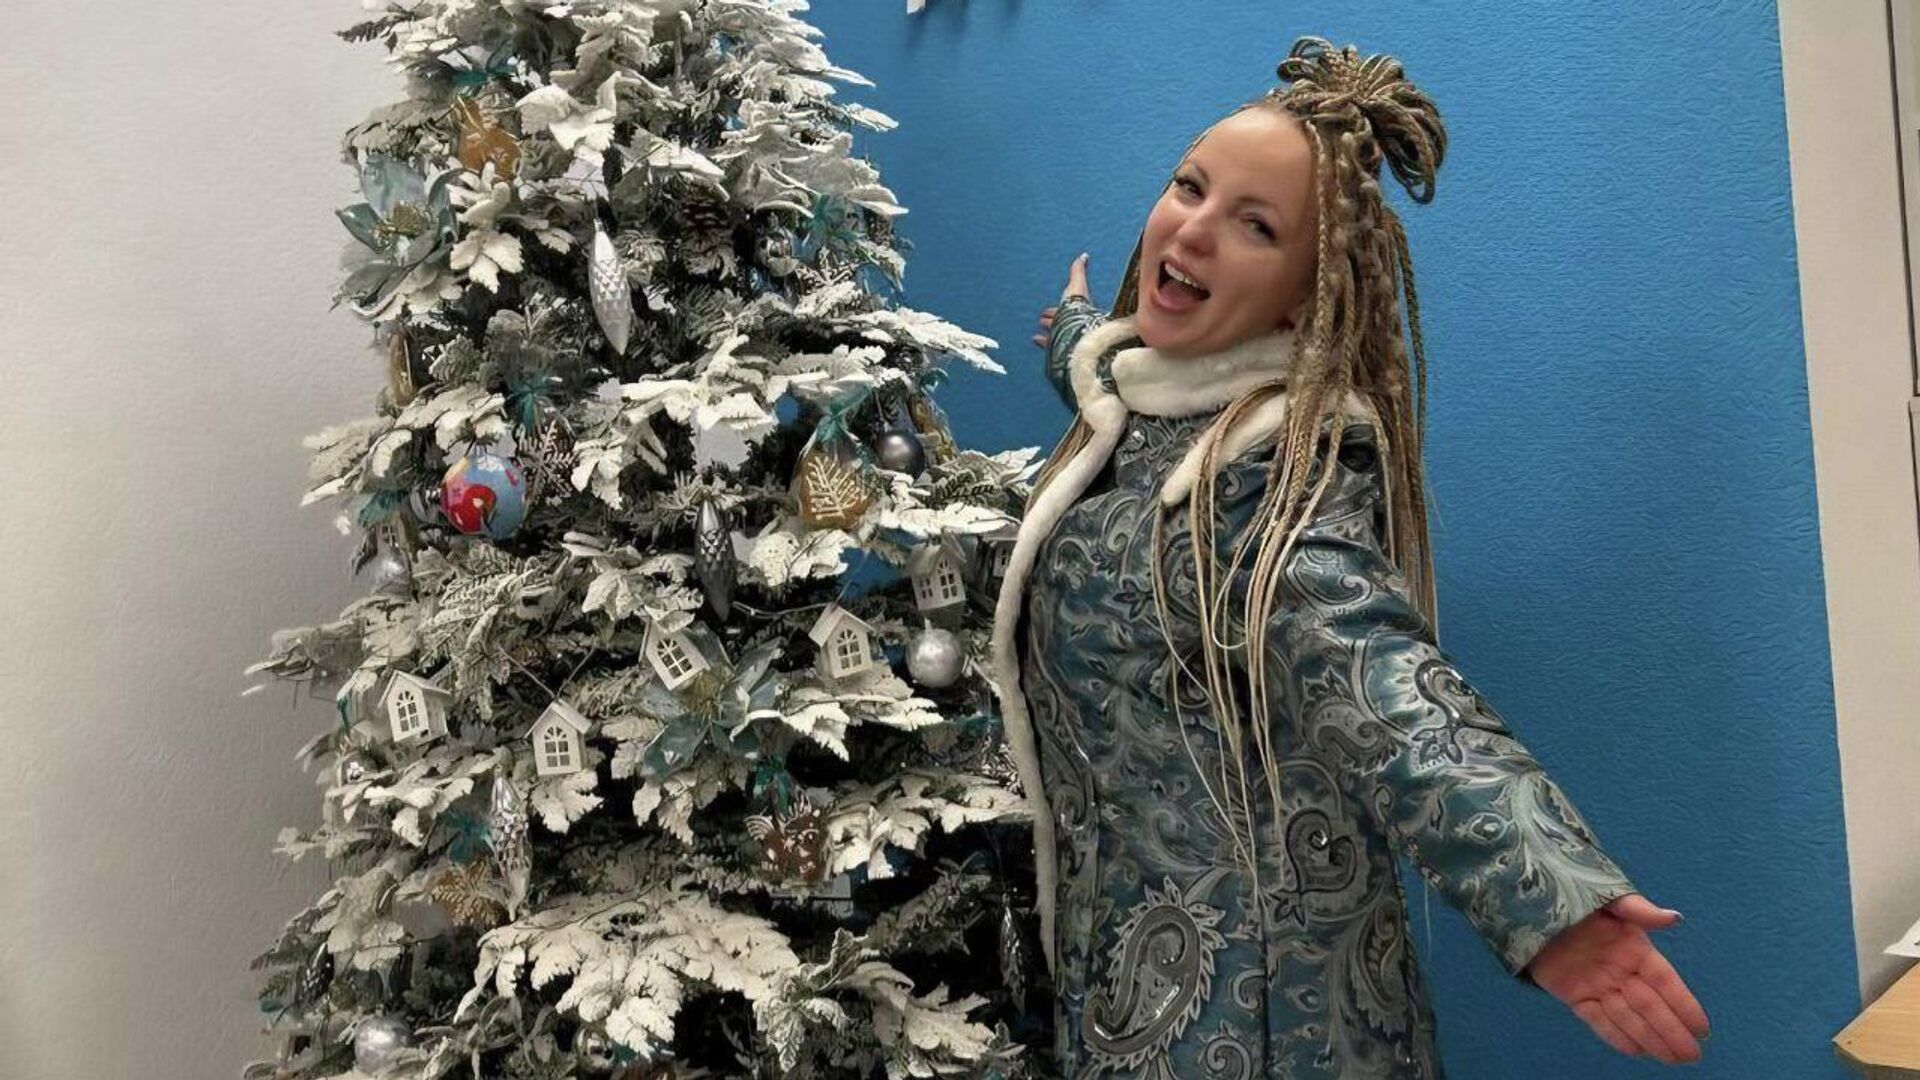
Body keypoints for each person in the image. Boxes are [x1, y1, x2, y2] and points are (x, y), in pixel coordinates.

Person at [989, 36, 1710, 1078]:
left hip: (1254, 1024)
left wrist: (1547, 900)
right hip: (1117, 980)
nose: (1193, 228)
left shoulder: (1273, 479)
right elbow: (1118, 386)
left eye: (1256, 226)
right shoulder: (1158, 408)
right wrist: (1071, 331)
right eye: (1190, 186)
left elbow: (1382, 685)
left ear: (1303, 294)